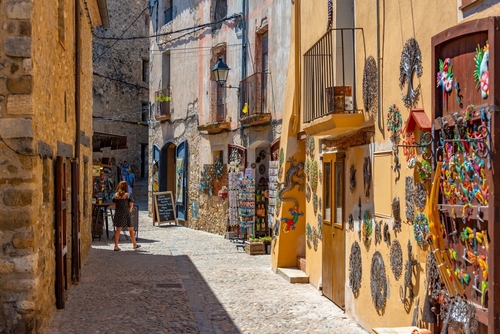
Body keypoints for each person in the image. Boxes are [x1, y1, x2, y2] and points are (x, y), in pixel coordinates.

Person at [112, 181, 140, 251]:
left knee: (118, 230)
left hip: (118, 213)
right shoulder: (128, 195)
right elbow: (131, 205)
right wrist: (130, 210)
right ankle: (134, 244)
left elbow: (115, 205)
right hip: (126, 213)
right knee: (131, 229)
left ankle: (115, 246)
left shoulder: (115, 195)